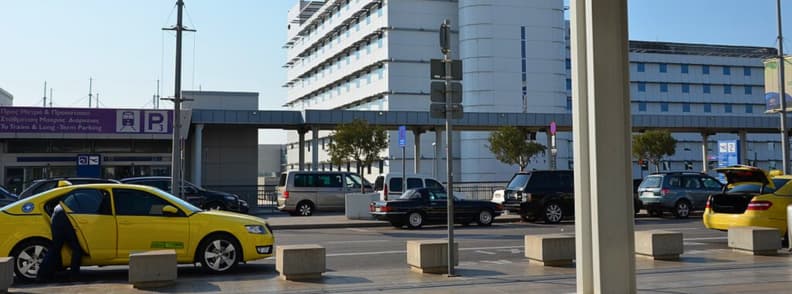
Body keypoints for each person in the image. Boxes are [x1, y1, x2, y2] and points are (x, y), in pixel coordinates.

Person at [38, 202, 83, 282]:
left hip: (58, 215)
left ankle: (42, 275)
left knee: (55, 248)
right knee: (77, 250)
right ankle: (74, 276)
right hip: (64, 217)